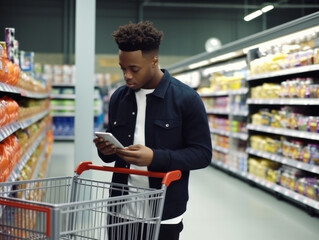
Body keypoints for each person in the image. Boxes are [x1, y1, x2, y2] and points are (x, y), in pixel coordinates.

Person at [93, 21, 212, 240]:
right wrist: (106, 150)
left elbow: (202, 154)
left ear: (154, 61)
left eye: (134, 69)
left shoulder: (186, 99)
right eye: (123, 68)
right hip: (120, 210)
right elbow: (112, 153)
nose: (127, 75)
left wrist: (155, 157)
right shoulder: (119, 98)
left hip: (164, 214)